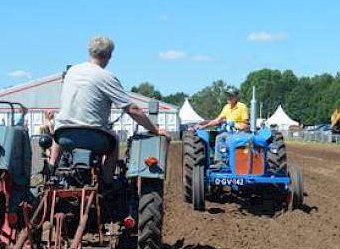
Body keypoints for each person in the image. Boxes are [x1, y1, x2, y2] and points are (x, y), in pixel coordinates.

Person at [49, 35, 168, 184]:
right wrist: (155, 130)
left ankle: (51, 171)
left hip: (64, 135)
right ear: (109, 55)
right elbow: (133, 109)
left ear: (90, 51)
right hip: (94, 137)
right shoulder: (106, 77)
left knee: (59, 129)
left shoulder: (71, 72)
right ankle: (106, 184)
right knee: (114, 143)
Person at [193, 87, 249, 163]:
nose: (228, 97)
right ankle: (219, 162)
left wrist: (235, 124)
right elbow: (217, 120)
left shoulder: (242, 107)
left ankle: (240, 160)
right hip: (229, 133)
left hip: (239, 132)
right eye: (228, 95)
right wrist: (204, 125)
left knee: (227, 138)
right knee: (219, 137)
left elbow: (245, 124)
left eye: (231, 95)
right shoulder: (226, 107)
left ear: (236, 97)